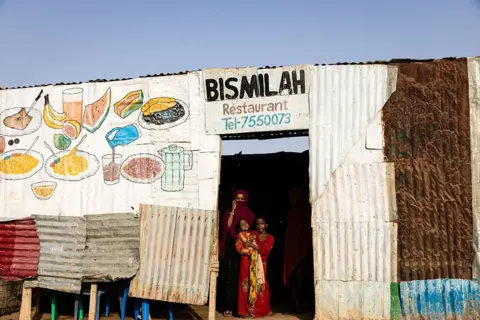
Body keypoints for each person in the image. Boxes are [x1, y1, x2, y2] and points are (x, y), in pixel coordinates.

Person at [219, 190, 255, 317]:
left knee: (244, 277)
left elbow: (249, 231)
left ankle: (242, 308)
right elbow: (227, 227)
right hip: (230, 249)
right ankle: (229, 306)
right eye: (237, 198)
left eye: (242, 199)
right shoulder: (229, 213)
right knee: (230, 277)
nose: (240, 201)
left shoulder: (249, 214)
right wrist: (233, 210)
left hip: (245, 250)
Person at [283, 187, 314, 312]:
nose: (292, 199)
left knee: (302, 277)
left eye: (294, 196)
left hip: (302, 250)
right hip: (293, 248)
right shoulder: (293, 209)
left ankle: (303, 304)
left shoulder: (304, 209)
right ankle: (296, 304)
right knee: (295, 279)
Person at [237, 217, 274, 318]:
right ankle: (245, 311)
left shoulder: (270, 237)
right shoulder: (253, 233)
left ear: (266, 225)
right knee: (247, 284)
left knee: (260, 284)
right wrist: (247, 244)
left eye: (262, 223)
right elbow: (243, 242)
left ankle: (262, 310)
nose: (260, 226)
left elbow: (265, 251)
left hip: (262, 264)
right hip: (249, 262)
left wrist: (253, 246)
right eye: (258, 224)